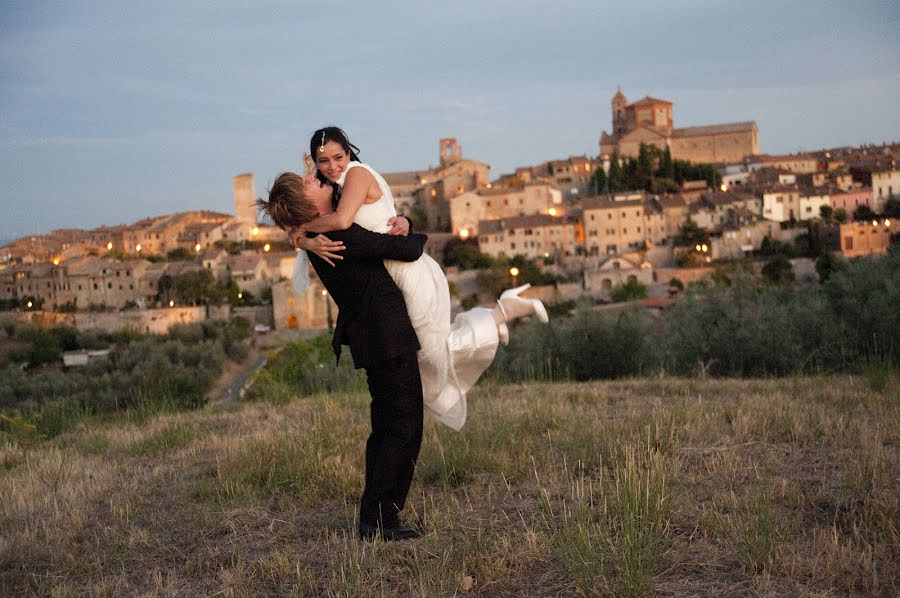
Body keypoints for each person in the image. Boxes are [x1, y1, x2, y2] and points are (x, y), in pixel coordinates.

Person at [292, 126, 547, 431]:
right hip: (392, 271)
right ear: (314, 163)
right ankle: (493, 322)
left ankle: (501, 313)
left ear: (350, 152)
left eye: (338, 157)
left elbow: (344, 222)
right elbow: (306, 219)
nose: (332, 166)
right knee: (429, 354)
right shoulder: (336, 188)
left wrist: (304, 232)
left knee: (433, 353)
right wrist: (302, 239)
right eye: (323, 161)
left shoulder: (356, 175)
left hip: (408, 272)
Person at [257, 172, 427, 541]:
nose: (315, 176)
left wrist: (300, 235)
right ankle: (381, 521)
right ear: (311, 204)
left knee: (386, 428)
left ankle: (376, 517)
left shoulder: (320, 239)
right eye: (308, 182)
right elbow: (409, 250)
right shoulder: (340, 236)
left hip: (375, 339)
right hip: (387, 338)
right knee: (404, 428)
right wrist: (412, 230)